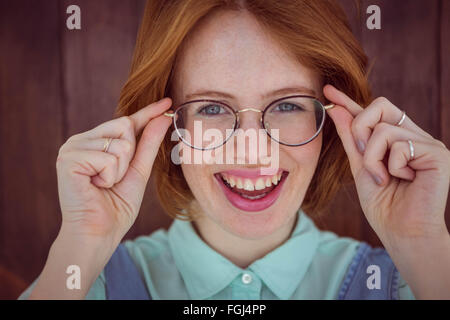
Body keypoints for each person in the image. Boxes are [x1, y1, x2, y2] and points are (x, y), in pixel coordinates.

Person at [19, 0, 450, 300]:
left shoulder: (410, 281)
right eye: (211, 107)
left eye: (286, 105)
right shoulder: (85, 284)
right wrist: (80, 244)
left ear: (332, 122)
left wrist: (424, 245)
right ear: (167, 128)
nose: (251, 150)